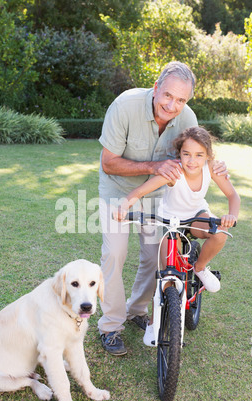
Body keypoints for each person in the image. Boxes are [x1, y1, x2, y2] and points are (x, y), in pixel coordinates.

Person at [98, 61, 228, 356]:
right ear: (156, 88)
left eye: (181, 100)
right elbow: (108, 162)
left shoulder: (187, 117)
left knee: (153, 258)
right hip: (118, 192)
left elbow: (198, 154)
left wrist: (215, 165)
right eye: (168, 95)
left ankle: (137, 311)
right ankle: (110, 327)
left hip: (159, 196)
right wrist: (153, 166)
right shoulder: (124, 106)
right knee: (114, 254)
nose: (172, 105)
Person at [114, 126, 240, 346]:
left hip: (196, 217)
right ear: (179, 154)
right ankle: (154, 324)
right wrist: (125, 206)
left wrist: (232, 215)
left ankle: (199, 268)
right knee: (164, 277)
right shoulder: (175, 172)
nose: (192, 161)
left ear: (208, 156)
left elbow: (233, 195)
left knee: (219, 234)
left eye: (199, 155)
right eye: (186, 154)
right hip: (171, 223)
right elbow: (141, 190)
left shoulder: (211, 169)